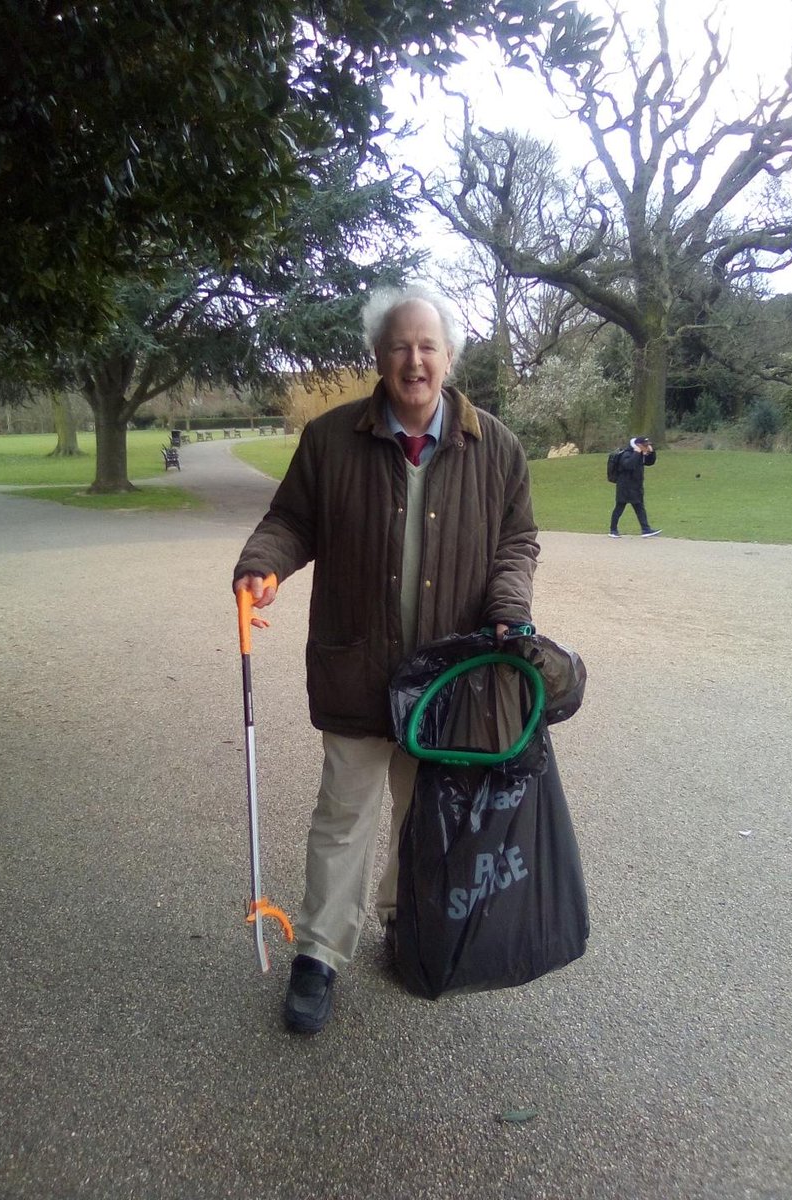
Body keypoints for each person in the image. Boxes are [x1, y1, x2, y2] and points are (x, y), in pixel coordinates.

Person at [232, 283, 539, 1033]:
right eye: (400, 345)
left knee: (425, 811)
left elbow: (516, 541)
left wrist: (508, 608)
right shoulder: (333, 438)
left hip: (445, 678)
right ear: (378, 355)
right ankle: (318, 954)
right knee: (344, 814)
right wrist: (261, 563)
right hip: (359, 665)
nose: (414, 360)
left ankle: (407, 921)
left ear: (449, 357)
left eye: (428, 345)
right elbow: (290, 519)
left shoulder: (494, 444)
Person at [609, 436, 661, 538]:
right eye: (645, 446)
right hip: (625, 487)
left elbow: (650, 462)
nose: (647, 447)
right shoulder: (626, 454)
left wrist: (651, 452)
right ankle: (613, 530)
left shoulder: (640, 454)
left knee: (640, 507)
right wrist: (637, 453)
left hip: (636, 486)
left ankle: (646, 529)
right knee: (619, 508)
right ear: (638, 446)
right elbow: (629, 465)